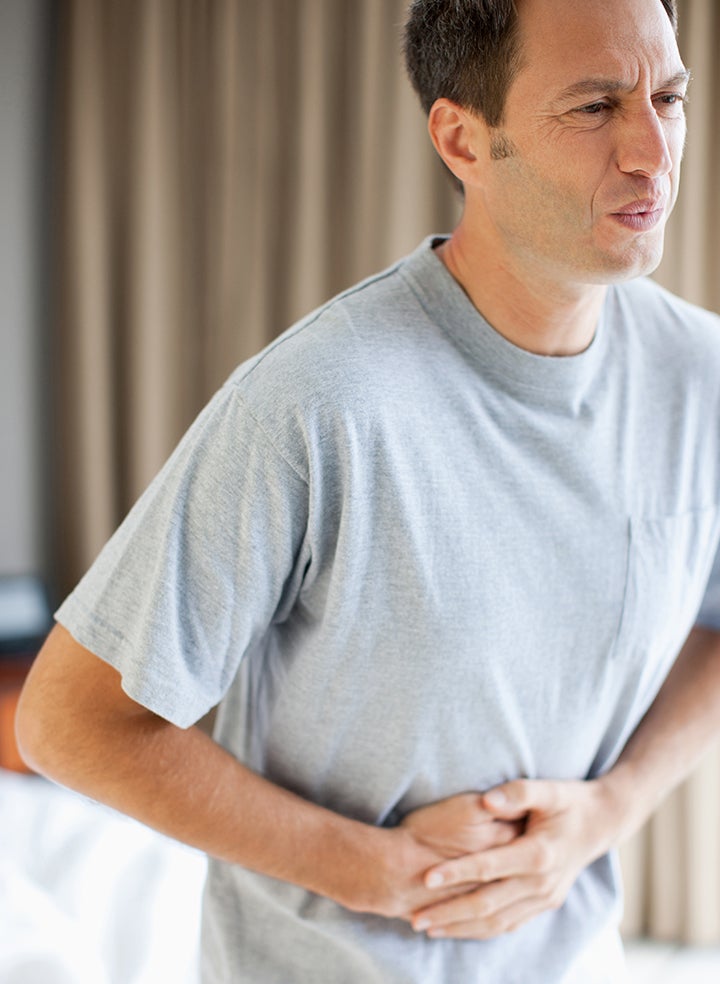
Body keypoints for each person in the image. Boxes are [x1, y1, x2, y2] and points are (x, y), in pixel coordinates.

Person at [15, 0, 720, 980]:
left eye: (670, 96)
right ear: (464, 139)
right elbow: (68, 723)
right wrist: (383, 874)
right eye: (595, 106)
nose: (653, 149)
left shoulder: (702, 376)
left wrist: (613, 806)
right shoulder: (316, 404)